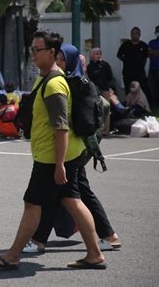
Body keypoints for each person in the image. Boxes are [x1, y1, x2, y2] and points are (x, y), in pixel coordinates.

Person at [0, 31, 106, 270]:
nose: (33, 54)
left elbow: (61, 128)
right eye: (32, 49)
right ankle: (95, 253)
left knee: (32, 203)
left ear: (52, 52)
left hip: (52, 158)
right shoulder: (45, 78)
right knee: (72, 201)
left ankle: (13, 255)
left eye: (37, 50)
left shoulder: (54, 84)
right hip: (53, 156)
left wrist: (59, 164)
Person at [22, 43, 121, 254]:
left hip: (72, 150)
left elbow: (63, 125)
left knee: (63, 195)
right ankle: (103, 238)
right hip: (74, 149)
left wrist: (60, 162)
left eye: (62, 59)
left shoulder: (69, 84)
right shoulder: (75, 81)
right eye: (57, 58)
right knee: (67, 194)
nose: (58, 62)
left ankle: (103, 240)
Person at [87, 47, 115, 135]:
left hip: (104, 89)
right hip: (94, 90)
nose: (98, 56)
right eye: (96, 54)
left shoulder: (105, 64)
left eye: (100, 54)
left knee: (106, 109)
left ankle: (106, 130)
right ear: (92, 55)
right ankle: (97, 130)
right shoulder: (90, 66)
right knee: (96, 110)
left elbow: (110, 77)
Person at [117, 27, 149, 97]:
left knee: (141, 89)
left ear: (139, 34)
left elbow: (145, 57)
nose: (134, 35)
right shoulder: (125, 44)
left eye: (136, 33)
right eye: (133, 33)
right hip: (127, 72)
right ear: (130, 35)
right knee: (128, 90)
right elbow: (119, 55)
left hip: (139, 73)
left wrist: (141, 65)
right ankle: (129, 105)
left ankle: (140, 105)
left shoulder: (143, 45)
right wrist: (126, 60)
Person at [147, 25, 159, 110]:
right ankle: (154, 106)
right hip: (152, 69)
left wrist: (156, 52)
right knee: (152, 88)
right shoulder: (152, 42)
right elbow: (149, 53)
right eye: (157, 30)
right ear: (155, 32)